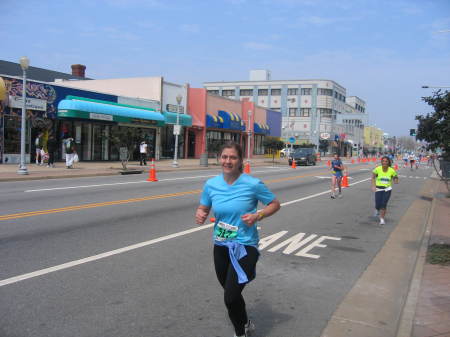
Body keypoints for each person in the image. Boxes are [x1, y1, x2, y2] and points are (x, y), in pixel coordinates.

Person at [195, 141, 281, 337]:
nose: (228, 161)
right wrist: (200, 214)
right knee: (229, 292)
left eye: (233, 157)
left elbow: (275, 204)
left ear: (240, 160)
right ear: (219, 158)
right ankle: (245, 323)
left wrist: (258, 215)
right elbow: (203, 207)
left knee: (231, 296)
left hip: (245, 246)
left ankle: (240, 333)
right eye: (224, 157)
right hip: (221, 245)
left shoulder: (252, 184)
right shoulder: (211, 185)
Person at [371, 156, 399, 225]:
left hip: (387, 189)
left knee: (383, 204)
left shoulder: (391, 170)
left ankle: (382, 219)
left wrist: (395, 180)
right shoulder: (377, 169)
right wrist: (373, 186)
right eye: (383, 161)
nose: (384, 162)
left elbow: (395, 176)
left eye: (386, 161)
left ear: (388, 162)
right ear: (381, 162)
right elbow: (373, 177)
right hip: (378, 189)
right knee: (378, 204)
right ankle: (377, 209)